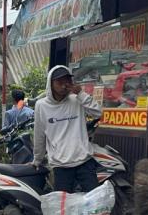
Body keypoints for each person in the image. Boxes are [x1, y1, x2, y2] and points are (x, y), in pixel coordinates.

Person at [32, 65, 102, 193]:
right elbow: (39, 134)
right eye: (60, 82)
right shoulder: (41, 105)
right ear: (51, 84)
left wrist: (81, 93)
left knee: (94, 200)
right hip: (61, 165)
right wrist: (37, 159)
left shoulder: (77, 100)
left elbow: (98, 113)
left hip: (84, 161)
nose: (64, 85)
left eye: (67, 81)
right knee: (63, 205)